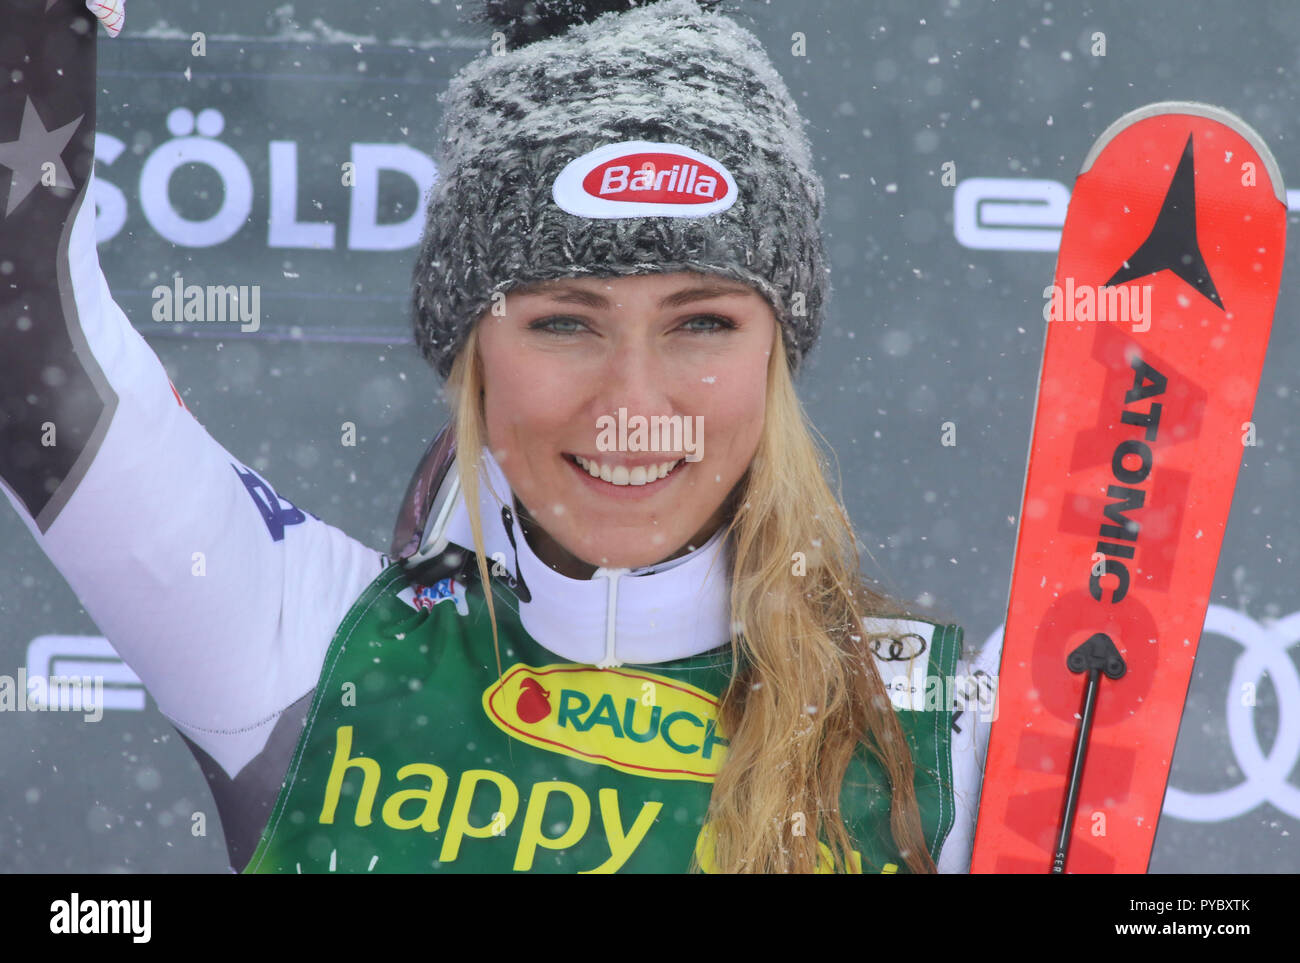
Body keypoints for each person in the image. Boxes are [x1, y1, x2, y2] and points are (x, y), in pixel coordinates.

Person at [2, 0, 998, 873]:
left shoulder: (950, 733)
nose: (631, 402)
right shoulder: (307, 652)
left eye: (701, 323)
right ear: (471, 350)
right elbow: (26, 322)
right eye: (565, 322)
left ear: (775, 356)